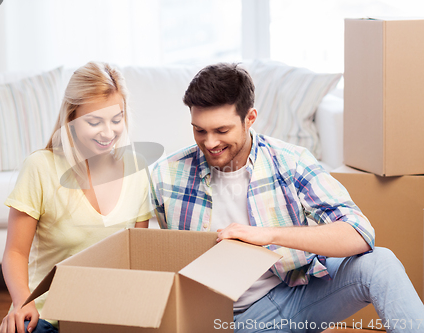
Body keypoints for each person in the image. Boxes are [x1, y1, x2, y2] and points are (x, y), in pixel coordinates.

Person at [150, 63, 424, 332]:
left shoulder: (290, 162)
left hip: (294, 295)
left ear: (250, 119)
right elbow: (143, 252)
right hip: (220, 320)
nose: (210, 143)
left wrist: (269, 235)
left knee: (380, 263)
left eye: (222, 131)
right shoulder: (167, 175)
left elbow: (360, 234)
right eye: (200, 130)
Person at [0, 62, 152, 333]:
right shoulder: (41, 167)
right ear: (71, 117)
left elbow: (137, 258)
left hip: (109, 316)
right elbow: (15, 252)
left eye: (117, 119)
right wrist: (22, 302)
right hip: (46, 315)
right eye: (94, 122)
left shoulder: (137, 170)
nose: (108, 133)